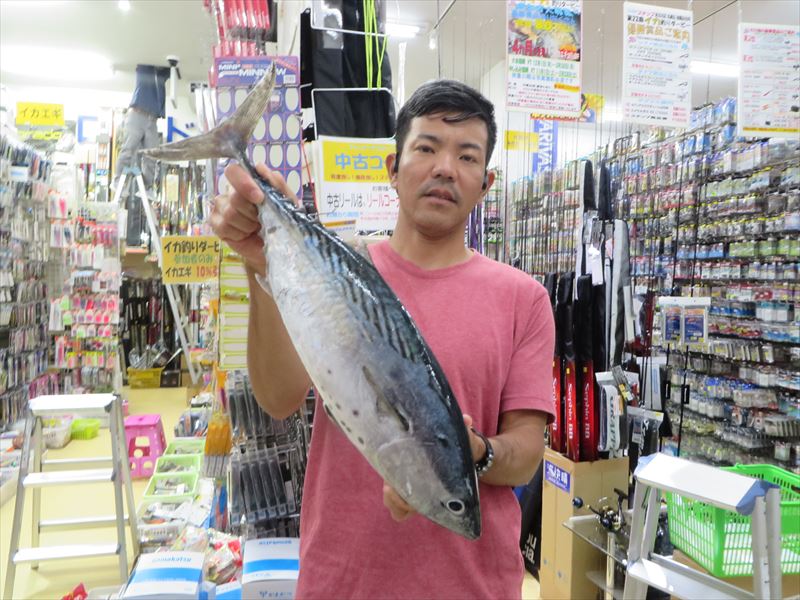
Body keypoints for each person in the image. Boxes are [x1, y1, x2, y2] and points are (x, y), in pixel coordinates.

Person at [210, 79, 555, 599]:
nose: (445, 168)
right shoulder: (337, 267)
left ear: (486, 184)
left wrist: (474, 453)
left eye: (466, 156)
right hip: (342, 582)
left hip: (472, 588)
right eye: (427, 148)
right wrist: (262, 263)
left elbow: (527, 453)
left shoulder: (524, 299)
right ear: (392, 169)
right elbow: (277, 399)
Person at [114, 63, 171, 188]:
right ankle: (118, 182)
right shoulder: (145, 70)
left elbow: (169, 70)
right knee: (128, 150)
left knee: (152, 154)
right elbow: (143, 61)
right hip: (137, 114)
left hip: (153, 120)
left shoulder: (160, 75)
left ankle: (146, 186)